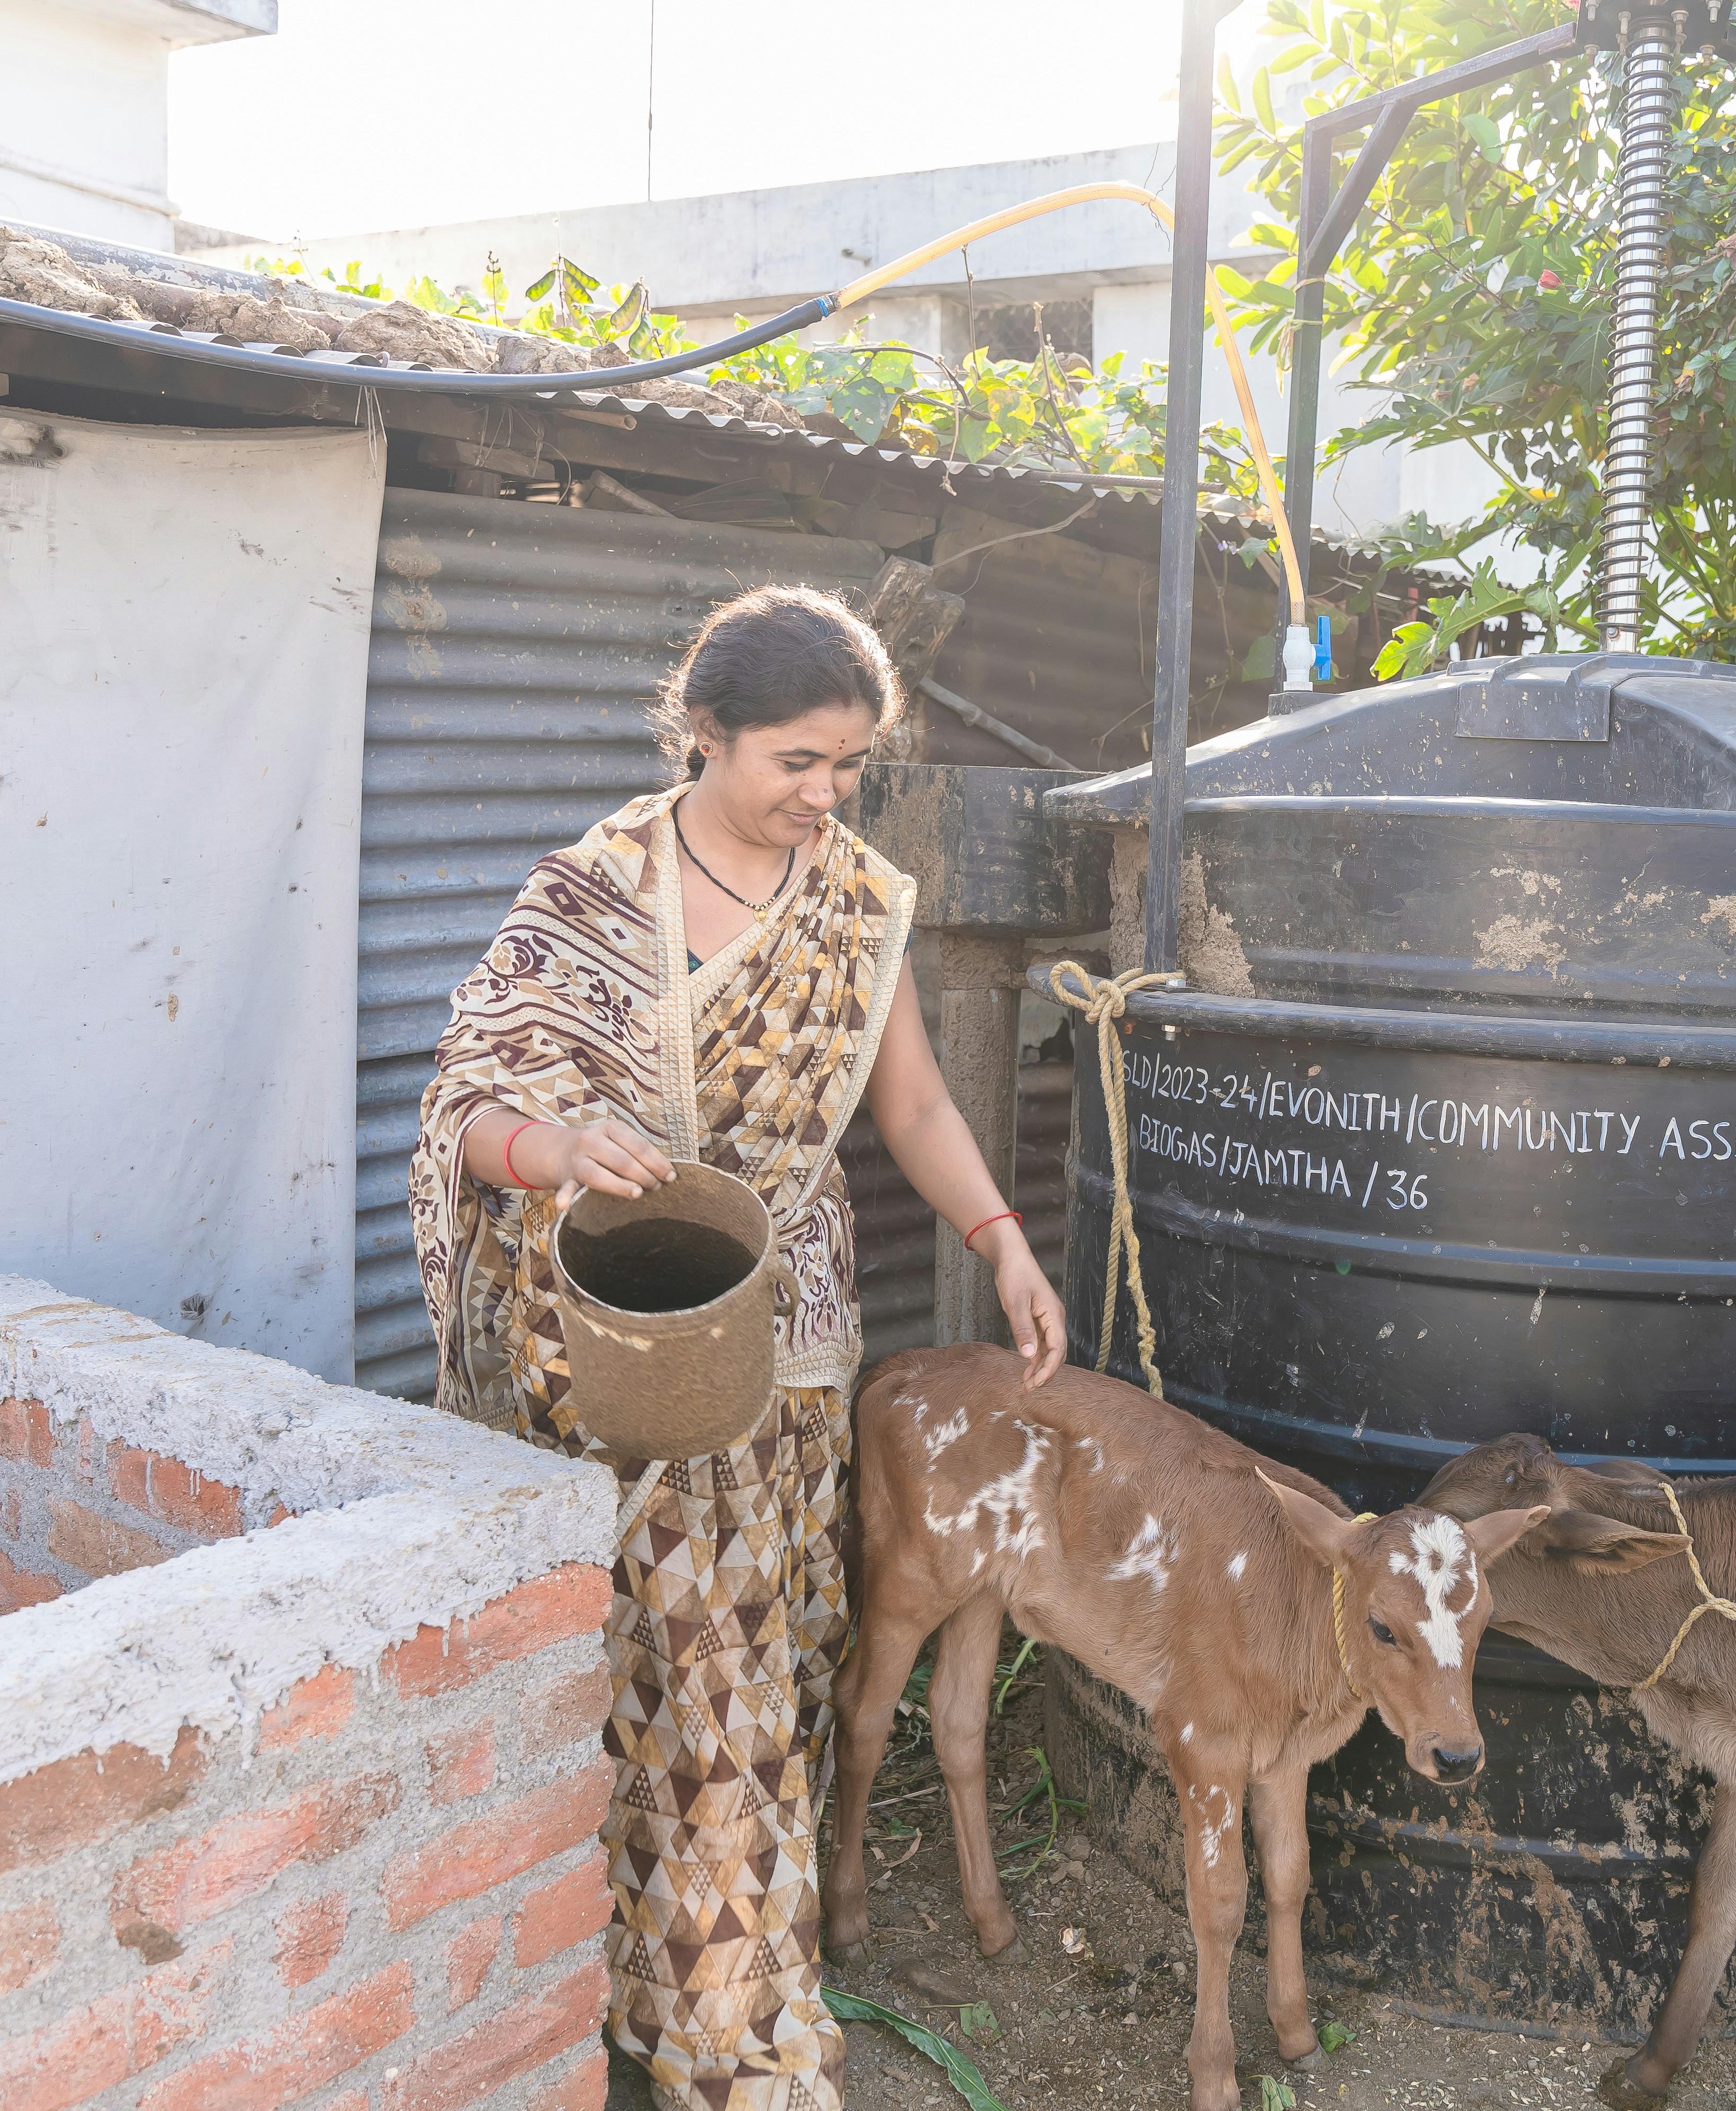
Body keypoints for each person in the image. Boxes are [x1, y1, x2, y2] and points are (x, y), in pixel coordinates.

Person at [409, 584, 1067, 2111]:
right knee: (630, 1673)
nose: (825, 796)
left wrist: (1004, 1243)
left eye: (849, 764)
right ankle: (635, 2007)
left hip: (775, 1358)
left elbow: (909, 1107)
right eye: (797, 761)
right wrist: (558, 1145)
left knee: (741, 1680)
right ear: (703, 733)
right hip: (608, 1356)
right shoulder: (587, 898)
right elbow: (467, 1110)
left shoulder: (854, 902)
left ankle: (734, 2008)